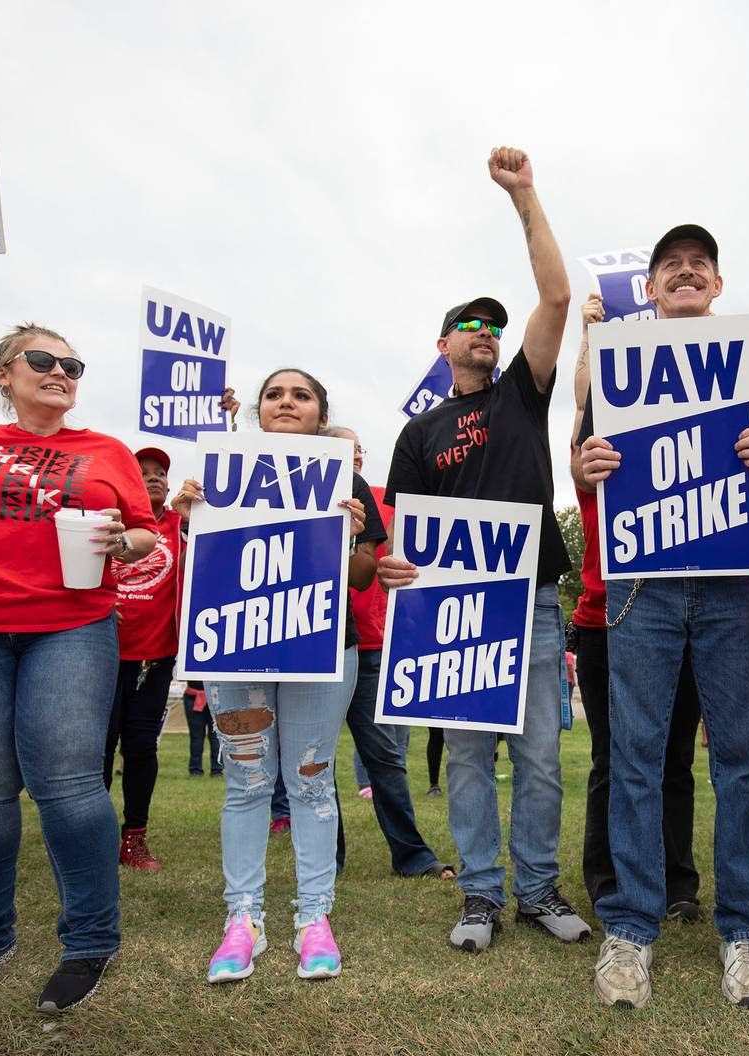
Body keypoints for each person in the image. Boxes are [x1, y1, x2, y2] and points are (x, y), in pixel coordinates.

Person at [0, 325, 159, 1013]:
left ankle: (90, 941)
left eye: (71, 364)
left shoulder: (107, 452)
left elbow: (143, 534)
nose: (60, 371)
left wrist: (121, 542)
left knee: (71, 785)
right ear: (5, 377)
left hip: (70, 626)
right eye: (41, 360)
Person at [577, 222, 749, 1010]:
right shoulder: (616, 364)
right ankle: (631, 928)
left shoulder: (744, 362)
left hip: (732, 582)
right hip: (643, 584)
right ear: (650, 289)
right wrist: (589, 461)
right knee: (635, 758)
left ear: (715, 285)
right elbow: (583, 455)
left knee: (739, 756)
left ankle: (746, 930)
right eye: (670, 264)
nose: (685, 272)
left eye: (698, 264)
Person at [379, 146, 588, 953]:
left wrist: (524, 195)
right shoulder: (419, 432)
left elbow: (558, 295)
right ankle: (479, 897)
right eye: (470, 326)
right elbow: (401, 532)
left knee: (538, 760)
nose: (486, 335)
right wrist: (396, 567)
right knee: (466, 762)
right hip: (448, 614)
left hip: (529, 602)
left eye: (494, 328)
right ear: (442, 345)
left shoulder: (521, 394)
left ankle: (537, 890)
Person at [173, 368, 384, 984]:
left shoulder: (347, 480)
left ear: (321, 413)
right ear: (258, 411)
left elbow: (365, 577)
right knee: (245, 781)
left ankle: (314, 917)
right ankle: (244, 919)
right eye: (275, 394)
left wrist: (349, 539)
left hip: (324, 646)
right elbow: (203, 560)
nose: (287, 402)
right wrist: (191, 517)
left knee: (311, 781)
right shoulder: (220, 475)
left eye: (302, 395)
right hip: (238, 646)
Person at [567, 291, 704, 923]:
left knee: (675, 756)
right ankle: (610, 877)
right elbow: (581, 411)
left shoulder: (699, 465)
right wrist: (591, 337)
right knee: (615, 757)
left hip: (687, 620)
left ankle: (677, 880)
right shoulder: (600, 465)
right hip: (604, 622)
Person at [323, 425, 452, 880]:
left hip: (373, 643)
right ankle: (326, 857)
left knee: (385, 756)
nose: (351, 455)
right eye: (341, 447)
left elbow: (405, 549)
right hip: (318, 642)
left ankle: (412, 853)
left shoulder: (375, 495)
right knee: (314, 757)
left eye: (356, 448)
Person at [102, 447, 186, 873]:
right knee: (99, 747)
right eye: (143, 472)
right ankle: (93, 837)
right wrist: (95, 605)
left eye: (160, 473)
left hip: (155, 658)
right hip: (101, 653)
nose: (153, 478)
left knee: (140, 747)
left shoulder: (180, 525)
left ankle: (134, 837)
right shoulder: (106, 521)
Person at [184, 681, 221, 777]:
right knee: (196, 737)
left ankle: (217, 770)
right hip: (193, 696)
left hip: (216, 696)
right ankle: (195, 769)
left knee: (216, 736)